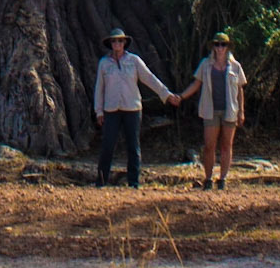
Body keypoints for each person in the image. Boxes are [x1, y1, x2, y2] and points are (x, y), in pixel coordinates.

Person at [93, 27, 177, 188]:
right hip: (111, 110)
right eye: (114, 41)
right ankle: (101, 181)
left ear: (124, 43)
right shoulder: (104, 63)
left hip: (132, 108)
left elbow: (149, 78)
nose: (117, 43)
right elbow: (99, 88)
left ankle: (133, 182)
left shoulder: (134, 61)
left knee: (133, 145)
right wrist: (99, 111)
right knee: (107, 146)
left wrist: (166, 95)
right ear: (110, 43)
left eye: (120, 40)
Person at [172, 30, 248, 189]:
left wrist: (241, 111)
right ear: (213, 47)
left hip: (230, 110)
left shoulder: (235, 66)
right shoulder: (205, 65)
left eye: (223, 45)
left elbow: (240, 89)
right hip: (210, 110)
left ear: (227, 47)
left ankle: (223, 179)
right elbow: (196, 84)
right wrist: (181, 97)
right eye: (217, 44)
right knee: (209, 146)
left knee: (226, 145)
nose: (220, 48)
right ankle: (208, 178)